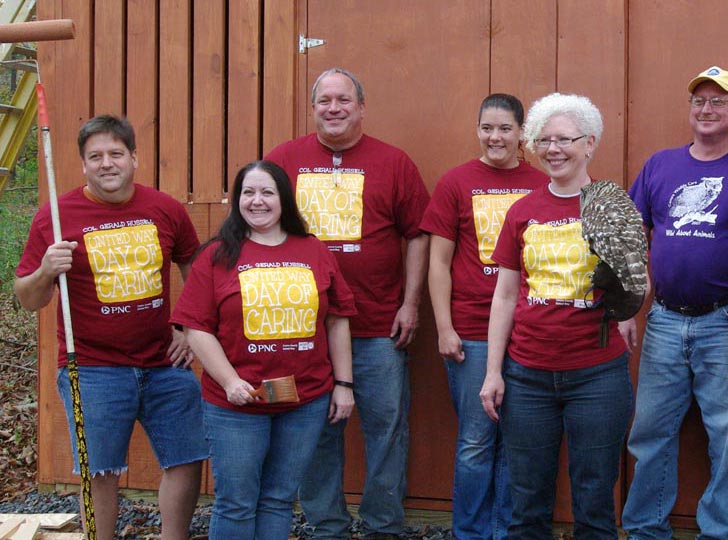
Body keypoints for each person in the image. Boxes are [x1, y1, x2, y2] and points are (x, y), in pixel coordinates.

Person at [14, 115, 203, 540]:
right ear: (83, 164)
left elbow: (196, 270)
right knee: (100, 471)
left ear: (134, 158)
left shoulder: (165, 209)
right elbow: (27, 298)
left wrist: (188, 327)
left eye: (115, 154)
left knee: (187, 456)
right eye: (95, 156)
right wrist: (46, 270)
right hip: (92, 367)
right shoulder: (56, 218)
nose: (106, 163)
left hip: (164, 362)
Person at [265, 67, 430, 539]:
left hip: (377, 325)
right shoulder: (283, 160)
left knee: (386, 428)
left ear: (361, 107)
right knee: (315, 431)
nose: (333, 109)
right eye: (324, 100)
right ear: (312, 107)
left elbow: (418, 234)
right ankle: (327, 526)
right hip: (304, 328)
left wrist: (410, 303)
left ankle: (382, 525)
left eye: (343, 100)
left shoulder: (394, 162)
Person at [619, 65, 728, 540]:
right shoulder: (659, 165)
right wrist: (626, 305)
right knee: (649, 432)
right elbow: (630, 235)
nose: (707, 109)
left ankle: (718, 533)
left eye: (718, 101)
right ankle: (645, 530)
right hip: (664, 320)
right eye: (699, 101)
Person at [171, 160, 355, 539]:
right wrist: (229, 381)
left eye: (267, 192)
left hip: (304, 401)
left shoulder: (314, 250)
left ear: (283, 199)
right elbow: (196, 327)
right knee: (236, 503)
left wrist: (344, 384)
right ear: (237, 200)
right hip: (238, 404)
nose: (257, 201)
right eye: (248, 192)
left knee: (279, 499)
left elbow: (337, 320)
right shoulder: (216, 255)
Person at [478, 93, 633, 539]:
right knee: (527, 500)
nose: (553, 149)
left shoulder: (612, 207)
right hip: (528, 375)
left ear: (590, 143)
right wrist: (493, 372)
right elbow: (506, 296)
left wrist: (626, 310)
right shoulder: (523, 211)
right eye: (544, 140)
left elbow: (634, 283)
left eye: (565, 139)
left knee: (595, 497)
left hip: (597, 375)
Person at [420, 93, 547, 539]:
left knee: (517, 442)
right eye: (487, 128)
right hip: (471, 332)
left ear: (521, 134)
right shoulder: (456, 183)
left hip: (527, 332)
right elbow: (438, 263)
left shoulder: (541, 183)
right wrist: (444, 327)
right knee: (476, 440)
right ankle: (470, 532)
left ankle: (505, 531)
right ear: (477, 130)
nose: (496, 137)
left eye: (505, 129)